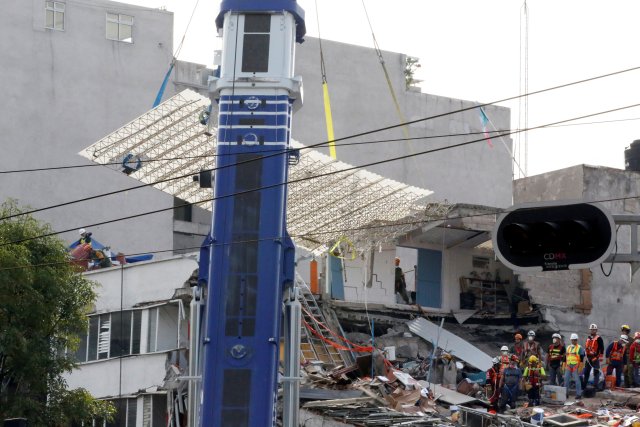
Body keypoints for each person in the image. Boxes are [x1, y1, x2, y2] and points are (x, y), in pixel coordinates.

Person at [582, 323, 604, 390]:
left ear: (596, 330)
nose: (592, 331)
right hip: (588, 358)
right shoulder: (588, 338)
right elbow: (586, 347)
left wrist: (599, 358)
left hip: (595, 357)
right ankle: (584, 386)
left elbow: (602, 349)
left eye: (594, 330)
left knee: (596, 372)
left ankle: (595, 386)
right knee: (586, 372)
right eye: (591, 330)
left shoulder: (599, 338)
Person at [564, 333, 585, 399]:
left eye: (575, 340)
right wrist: (564, 364)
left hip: (576, 366)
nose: (573, 341)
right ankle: (565, 393)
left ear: (577, 340)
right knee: (566, 379)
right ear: (571, 340)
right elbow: (566, 356)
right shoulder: (568, 347)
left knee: (577, 380)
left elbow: (582, 357)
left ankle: (578, 394)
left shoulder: (580, 348)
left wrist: (581, 366)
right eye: (572, 340)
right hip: (568, 365)